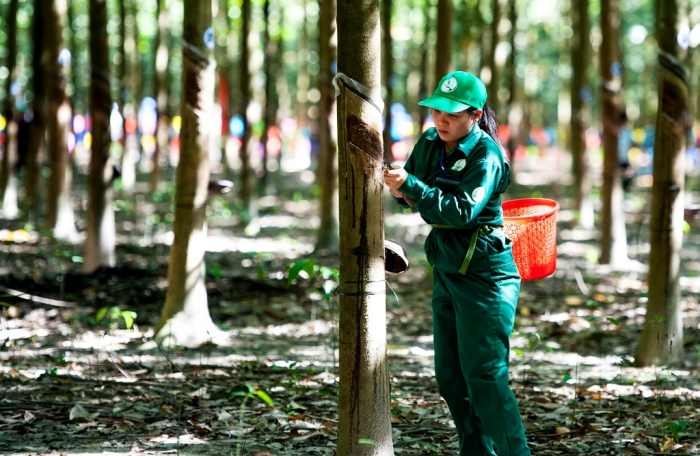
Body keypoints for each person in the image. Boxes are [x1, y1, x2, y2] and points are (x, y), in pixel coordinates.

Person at [384, 70, 531, 456]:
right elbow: (410, 189)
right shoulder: (432, 141)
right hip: (448, 270)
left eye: (452, 113)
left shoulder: (488, 154)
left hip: (486, 276)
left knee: (486, 376)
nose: (441, 120)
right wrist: (402, 185)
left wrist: (411, 187)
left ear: (476, 115)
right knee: (450, 379)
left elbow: (462, 211)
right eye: (436, 111)